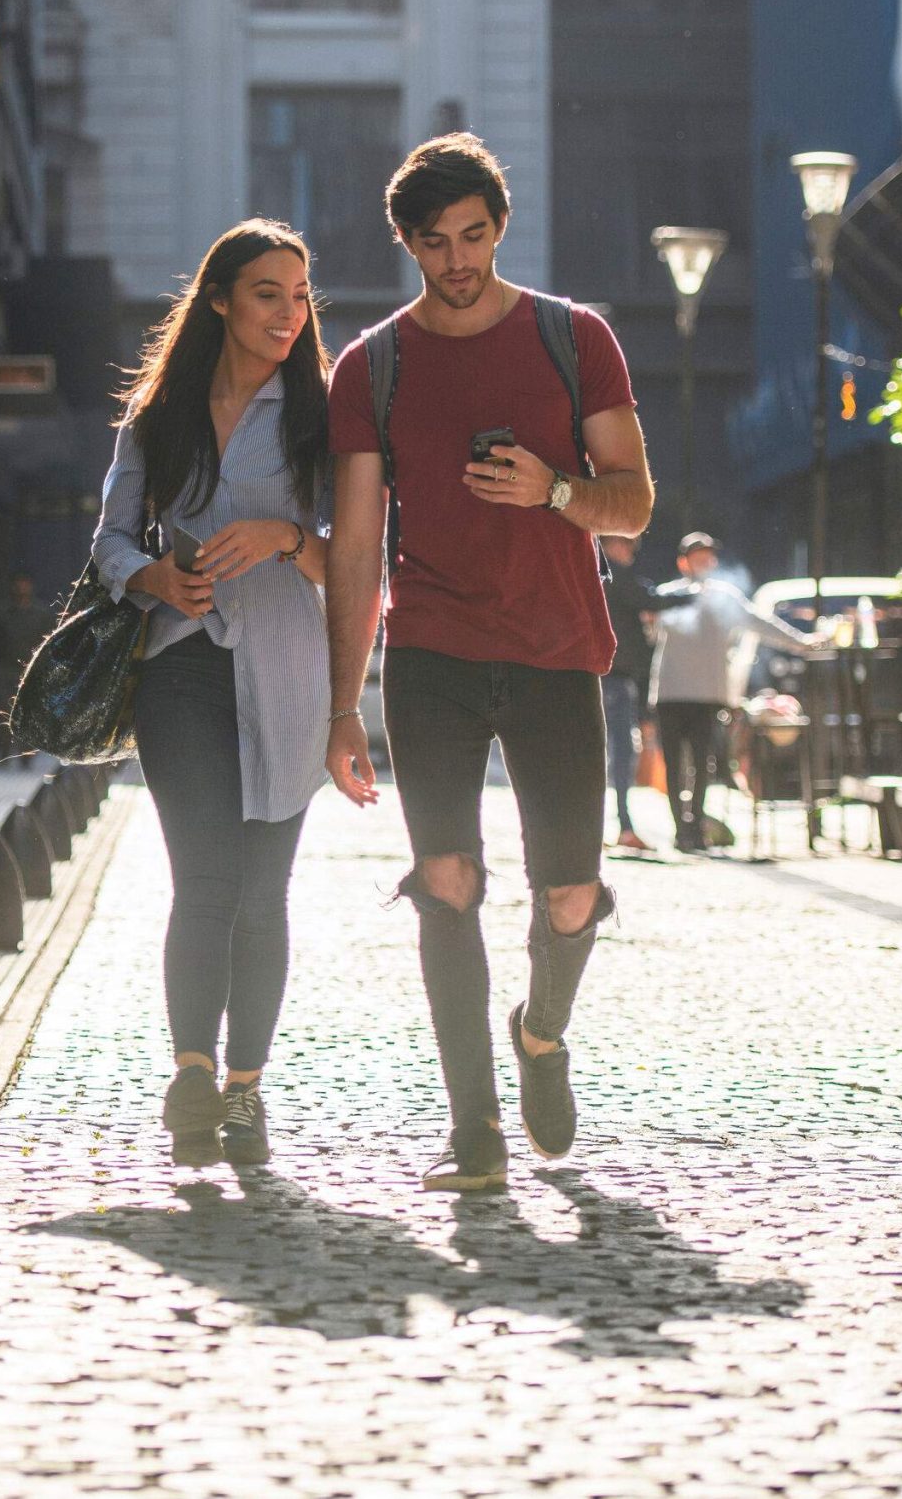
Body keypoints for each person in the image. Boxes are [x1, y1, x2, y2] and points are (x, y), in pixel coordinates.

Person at [324, 133, 654, 1193]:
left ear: (500, 227)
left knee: (569, 894)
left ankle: (541, 1034)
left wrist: (553, 492)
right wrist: (343, 705)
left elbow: (635, 500)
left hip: (559, 647)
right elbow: (357, 544)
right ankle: (474, 1130)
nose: (457, 258)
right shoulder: (369, 367)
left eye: (473, 235)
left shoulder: (574, 338)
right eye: (435, 242)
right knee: (446, 881)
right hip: (433, 651)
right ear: (407, 243)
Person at [93, 219, 334, 1169]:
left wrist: (280, 535)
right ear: (223, 300)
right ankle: (192, 1073)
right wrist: (156, 579)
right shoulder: (161, 414)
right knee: (207, 877)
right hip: (181, 660)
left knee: (264, 890)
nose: (288, 312)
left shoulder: (322, 416)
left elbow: (355, 564)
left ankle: (245, 1092)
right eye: (267, 292)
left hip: (285, 665)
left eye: (300, 294)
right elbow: (110, 540)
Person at [646, 533, 826, 853]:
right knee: (674, 764)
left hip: (707, 694)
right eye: (697, 556)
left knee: (703, 764)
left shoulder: (725, 596)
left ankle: (696, 825)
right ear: (683, 562)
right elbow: (648, 632)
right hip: (670, 692)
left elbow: (762, 624)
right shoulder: (666, 595)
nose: (704, 563)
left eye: (708, 557)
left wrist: (802, 642)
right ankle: (680, 829)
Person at [600, 534, 659, 851]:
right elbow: (652, 601)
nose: (630, 553)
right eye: (624, 545)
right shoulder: (615, 576)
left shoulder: (604, 576)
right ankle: (621, 827)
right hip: (612, 678)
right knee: (618, 753)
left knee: (613, 754)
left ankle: (614, 827)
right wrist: (693, 596)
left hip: (610, 677)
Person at [0, 573, 56, 755]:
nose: (22, 588)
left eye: (25, 584)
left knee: (29, 711)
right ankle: (3, 751)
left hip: (32, 670)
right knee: (4, 709)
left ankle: (26, 753)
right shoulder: (4, 613)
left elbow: (48, 643)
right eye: (19, 584)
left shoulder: (41, 614)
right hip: (6, 669)